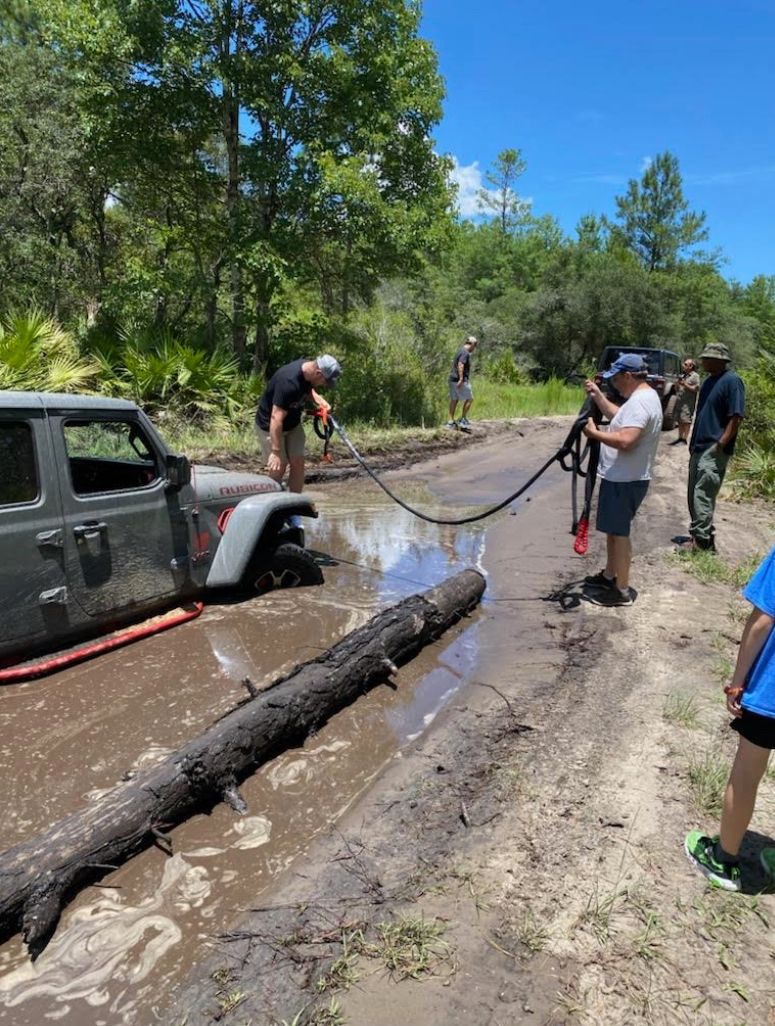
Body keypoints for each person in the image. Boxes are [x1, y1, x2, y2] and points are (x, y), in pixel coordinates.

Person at [685, 544, 775, 891]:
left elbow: (763, 618)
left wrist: (738, 681)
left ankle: (724, 861)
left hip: (770, 693)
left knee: (747, 773)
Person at [580, 353, 663, 607]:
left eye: (615, 379)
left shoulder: (640, 403)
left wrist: (595, 434)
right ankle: (609, 576)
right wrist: (598, 395)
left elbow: (626, 441)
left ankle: (622, 590)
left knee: (620, 533)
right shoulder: (642, 398)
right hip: (623, 478)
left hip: (625, 480)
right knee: (614, 532)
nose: (613, 383)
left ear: (628, 376)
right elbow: (620, 417)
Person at [678, 342, 745, 553]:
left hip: (714, 448)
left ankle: (701, 542)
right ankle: (701, 535)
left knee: (702, 494)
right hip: (699, 446)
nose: (702, 361)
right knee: (693, 494)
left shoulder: (732, 382)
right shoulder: (707, 382)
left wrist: (721, 443)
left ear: (720, 360)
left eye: (707, 358)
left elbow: (736, 416)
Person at [255, 354, 341, 492]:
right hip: (270, 425)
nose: (325, 385)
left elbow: (307, 388)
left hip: (292, 424)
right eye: (325, 381)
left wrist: (319, 401)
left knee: (298, 462)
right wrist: (275, 452)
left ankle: (295, 502)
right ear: (318, 373)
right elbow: (276, 418)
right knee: (279, 465)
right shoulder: (288, 382)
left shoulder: (309, 371)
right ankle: (270, 503)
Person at [446, 335, 478, 429]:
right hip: (459, 380)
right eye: (475, 345)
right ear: (471, 344)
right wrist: (461, 379)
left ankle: (450, 421)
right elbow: (461, 364)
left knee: (454, 400)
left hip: (452, 379)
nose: (475, 347)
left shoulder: (460, 350)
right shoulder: (465, 353)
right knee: (470, 398)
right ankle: (463, 419)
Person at [669, 358, 700, 446]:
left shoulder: (695, 376)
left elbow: (696, 389)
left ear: (691, 366)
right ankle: (680, 438)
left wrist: (685, 384)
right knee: (680, 420)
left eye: (685, 364)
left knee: (686, 420)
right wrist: (677, 384)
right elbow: (677, 389)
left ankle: (684, 439)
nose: (683, 365)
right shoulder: (683, 376)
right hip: (680, 402)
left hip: (688, 403)